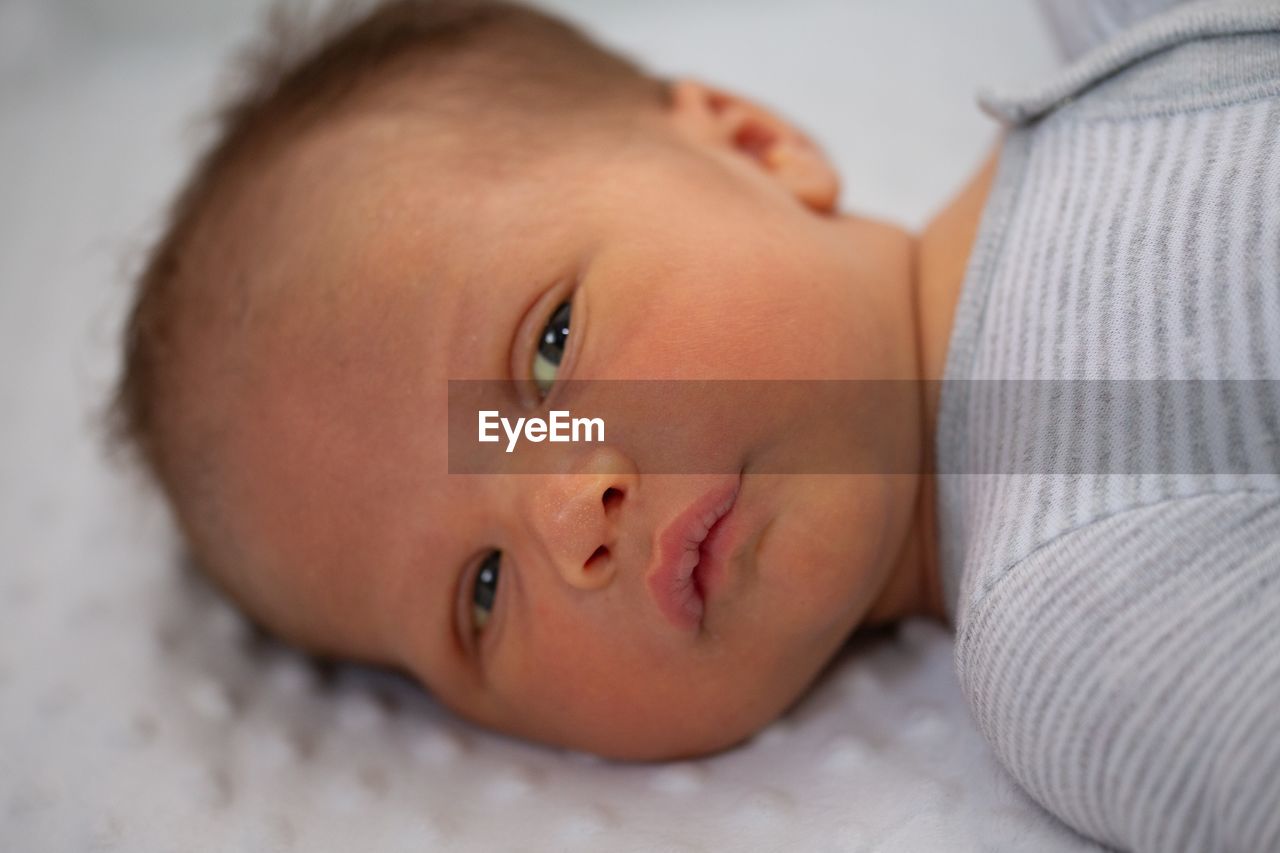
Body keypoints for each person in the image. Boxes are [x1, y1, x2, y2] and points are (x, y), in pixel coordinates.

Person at [108, 1, 1280, 849]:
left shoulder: (1122, 37)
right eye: (479, 589)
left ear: (751, 141)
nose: (570, 518)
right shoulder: (1078, 634)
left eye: (547, 350)